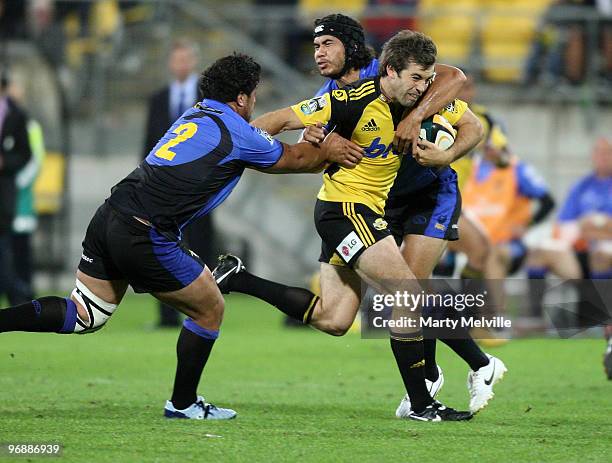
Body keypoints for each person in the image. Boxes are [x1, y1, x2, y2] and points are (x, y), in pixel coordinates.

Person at [0, 53, 363, 420]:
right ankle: (183, 403)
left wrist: (298, 129)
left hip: (111, 214)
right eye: (253, 95)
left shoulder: (197, 114)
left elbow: (255, 134)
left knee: (83, 314)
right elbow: (296, 160)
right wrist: (330, 148)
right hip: (145, 231)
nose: (255, 103)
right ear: (241, 98)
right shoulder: (235, 131)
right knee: (210, 308)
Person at [215, 30, 480, 422]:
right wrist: (227, 146)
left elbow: (462, 100)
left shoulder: (420, 99)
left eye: (427, 80)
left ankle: (238, 279)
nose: (424, 87)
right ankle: (428, 402)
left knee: (335, 319)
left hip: (363, 213)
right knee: (408, 296)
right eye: (416, 79)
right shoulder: (349, 99)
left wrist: (443, 150)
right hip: (347, 211)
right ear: (390, 71)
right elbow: (282, 118)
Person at [302, 14, 503, 415]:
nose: (319, 53)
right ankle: (464, 369)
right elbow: (320, 142)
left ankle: (434, 382)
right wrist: (318, 140)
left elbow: (456, 81)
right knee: (405, 294)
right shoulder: (332, 95)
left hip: (432, 192)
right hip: (386, 199)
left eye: (327, 44)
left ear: (349, 45)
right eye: (316, 45)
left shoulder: (394, 70)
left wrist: (419, 124)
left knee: (409, 292)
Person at [142, 38, 216, 328]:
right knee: (161, 249)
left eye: (186, 59)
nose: (181, 64)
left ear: (193, 61)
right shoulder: (158, 99)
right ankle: (166, 316)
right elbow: (148, 145)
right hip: (164, 190)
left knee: (199, 248)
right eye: (177, 59)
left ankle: (202, 310)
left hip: (200, 190)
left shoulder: (209, 96)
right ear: (171, 63)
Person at [525, 137, 612, 378]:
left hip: (604, 251)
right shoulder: (582, 186)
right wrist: (588, 228)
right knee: (538, 254)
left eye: (608, 153)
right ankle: (533, 318)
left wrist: (599, 225)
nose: (603, 158)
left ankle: (599, 318)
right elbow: (565, 224)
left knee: (602, 254)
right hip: (579, 248)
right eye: (599, 153)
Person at [462, 125, 555, 319]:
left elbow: (548, 202)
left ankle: (497, 317)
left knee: (492, 255)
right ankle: (464, 319)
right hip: (474, 243)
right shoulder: (471, 169)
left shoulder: (518, 169)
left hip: (509, 245)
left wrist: (527, 225)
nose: (489, 149)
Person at [0, 68, 32, 304]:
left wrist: (5, 161)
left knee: (4, 247)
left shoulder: (17, 115)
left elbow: (26, 153)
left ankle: (16, 292)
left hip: (4, 193)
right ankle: (17, 292)